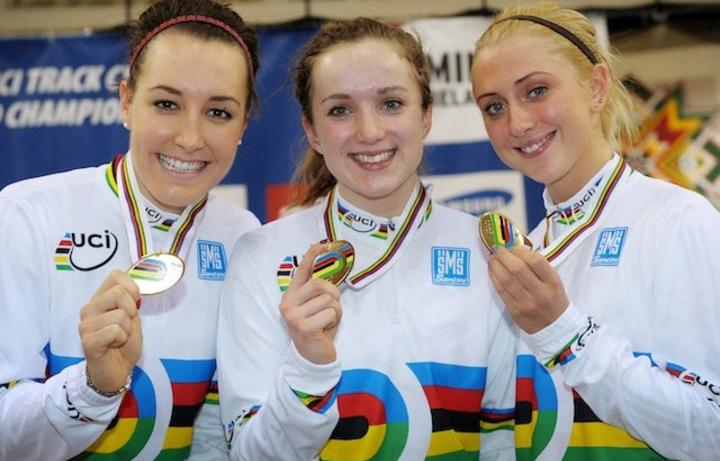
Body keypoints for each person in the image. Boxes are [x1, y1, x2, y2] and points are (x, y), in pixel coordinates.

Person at [217, 17, 517, 461]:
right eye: (340, 110)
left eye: (391, 103)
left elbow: (504, 443)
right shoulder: (260, 256)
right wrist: (309, 366)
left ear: (426, 114)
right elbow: (251, 454)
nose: (370, 132)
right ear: (312, 131)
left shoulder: (489, 251)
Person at [0, 0, 261, 459]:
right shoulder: (27, 214)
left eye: (218, 112)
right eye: (167, 104)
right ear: (126, 101)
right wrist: (92, 387)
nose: (189, 138)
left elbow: (217, 433)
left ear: (243, 123)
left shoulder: (242, 235)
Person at [471, 2, 720, 460]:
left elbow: (712, 431)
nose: (517, 123)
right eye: (494, 107)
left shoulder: (677, 220)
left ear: (597, 87)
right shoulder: (530, 248)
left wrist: (566, 335)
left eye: (536, 90)